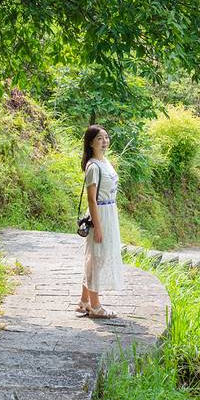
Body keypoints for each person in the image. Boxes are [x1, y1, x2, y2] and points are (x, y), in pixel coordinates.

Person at [76, 124, 124, 318]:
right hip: (101, 213)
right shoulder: (93, 167)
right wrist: (97, 227)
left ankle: (84, 301)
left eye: (106, 137)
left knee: (96, 257)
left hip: (110, 211)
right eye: (99, 138)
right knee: (97, 258)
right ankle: (95, 307)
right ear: (90, 143)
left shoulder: (105, 161)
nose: (104, 141)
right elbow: (91, 199)